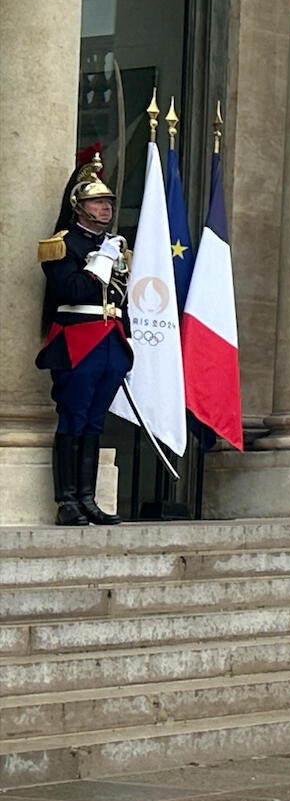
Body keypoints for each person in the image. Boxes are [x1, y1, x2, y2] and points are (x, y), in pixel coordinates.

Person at [35, 144, 130, 527]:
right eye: (97, 203)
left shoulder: (110, 246)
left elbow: (122, 298)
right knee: (73, 418)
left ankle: (89, 499)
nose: (105, 208)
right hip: (78, 342)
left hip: (110, 343)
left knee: (94, 422)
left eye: (108, 202)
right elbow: (72, 291)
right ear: (79, 206)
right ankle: (67, 502)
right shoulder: (62, 244)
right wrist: (102, 261)